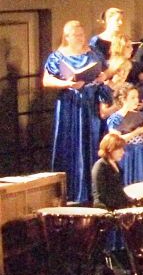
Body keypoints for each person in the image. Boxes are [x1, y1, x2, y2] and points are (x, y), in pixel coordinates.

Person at [43, 20, 108, 203]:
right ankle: (72, 192)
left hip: (91, 101)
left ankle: (93, 191)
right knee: (72, 144)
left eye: (82, 34)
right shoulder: (58, 56)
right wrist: (68, 84)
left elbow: (105, 72)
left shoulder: (93, 52)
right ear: (67, 37)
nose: (81, 38)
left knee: (92, 142)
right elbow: (46, 81)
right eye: (77, 35)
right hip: (70, 103)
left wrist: (102, 76)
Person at [90, 132, 133, 210]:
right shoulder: (100, 166)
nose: (122, 152)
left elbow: (119, 191)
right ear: (110, 149)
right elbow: (101, 195)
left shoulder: (117, 166)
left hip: (116, 206)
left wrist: (131, 202)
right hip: (105, 209)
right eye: (119, 149)